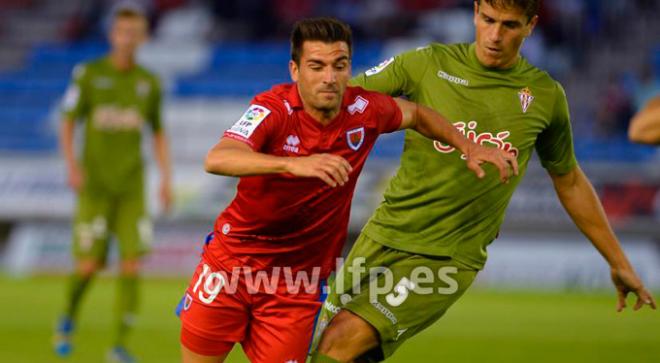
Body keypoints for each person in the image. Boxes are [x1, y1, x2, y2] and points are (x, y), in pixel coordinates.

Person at [311, 1, 657, 362]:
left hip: (445, 258)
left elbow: (569, 180)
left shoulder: (544, 96)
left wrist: (618, 261)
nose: (494, 35)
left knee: (342, 341)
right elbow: (339, 98)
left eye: (509, 25)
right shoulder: (426, 64)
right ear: (476, 13)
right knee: (320, 346)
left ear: (530, 26)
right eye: (488, 20)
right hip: (381, 235)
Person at [177, 17, 517, 363]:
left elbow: (417, 114)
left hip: (296, 287)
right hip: (231, 267)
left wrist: (469, 146)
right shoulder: (272, 109)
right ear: (295, 70)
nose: (330, 77)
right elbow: (218, 158)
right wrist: (291, 164)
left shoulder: (364, 110)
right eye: (317, 66)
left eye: (339, 66)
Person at [54, 7, 172, 363]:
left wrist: (165, 179)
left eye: (134, 32)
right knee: (88, 265)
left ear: (143, 38)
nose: (128, 38)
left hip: (132, 187)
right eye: (122, 31)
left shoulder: (149, 82)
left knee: (132, 265)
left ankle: (118, 346)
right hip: (95, 185)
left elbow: (158, 131)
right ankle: (68, 317)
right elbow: (68, 121)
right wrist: (73, 166)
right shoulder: (89, 74)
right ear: (112, 35)